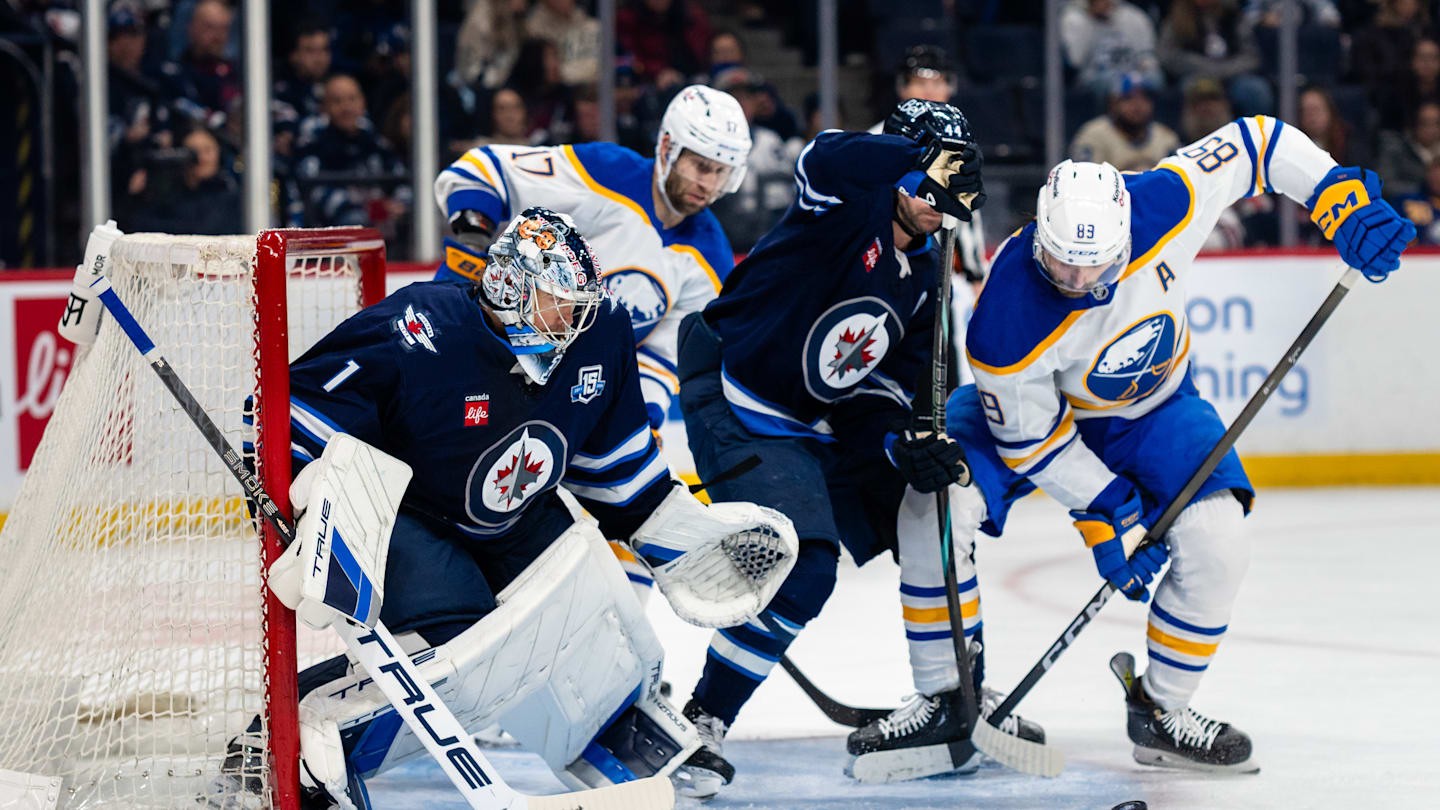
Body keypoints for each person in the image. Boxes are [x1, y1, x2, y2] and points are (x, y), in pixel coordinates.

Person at [213, 209, 798, 808]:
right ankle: (292, 745)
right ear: (511, 289)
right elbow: (288, 413)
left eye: (581, 302)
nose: (575, 317)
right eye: (558, 301)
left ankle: (621, 735)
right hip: (413, 518)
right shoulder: (418, 329)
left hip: (517, 518)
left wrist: (679, 537)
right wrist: (304, 500)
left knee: (580, 593)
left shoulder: (598, 333)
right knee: (462, 660)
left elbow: (616, 466)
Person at [938, 119, 1414, 772]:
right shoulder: (1005, 318)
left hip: (1154, 410)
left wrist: (1335, 192)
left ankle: (1161, 709)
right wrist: (1108, 514)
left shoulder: (1162, 202)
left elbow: (1258, 143)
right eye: (1061, 262)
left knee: (1220, 538)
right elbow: (1034, 441)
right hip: (1038, 427)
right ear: (1036, 234)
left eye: (1095, 262)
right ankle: (947, 697)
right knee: (941, 501)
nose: (1078, 279)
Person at [672, 99, 1043, 797]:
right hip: (738, 403)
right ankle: (702, 719)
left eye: (950, 190)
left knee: (937, 512)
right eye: (932, 184)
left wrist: (909, 447)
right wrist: (913, 152)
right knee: (805, 569)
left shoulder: (930, 271)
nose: (941, 204)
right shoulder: (846, 204)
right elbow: (825, 154)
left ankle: (953, 693)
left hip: (818, 422)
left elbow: (894, 392)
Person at [1070, 72, 1181, 172]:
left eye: (1145, 97)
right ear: (1112, 103)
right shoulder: (1093, 136)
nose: (1138, 105)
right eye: (1128, 98)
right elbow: (1085, 183)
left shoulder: (1166, 137)